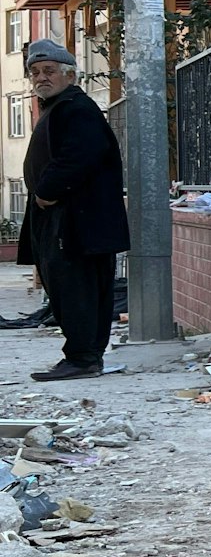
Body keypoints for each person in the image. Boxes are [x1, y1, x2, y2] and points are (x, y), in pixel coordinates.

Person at [17, 40, 129, 382]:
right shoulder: (60, 106)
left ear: (69, 74)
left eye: (49, 71)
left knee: (77, 289)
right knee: (70, 288)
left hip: (76, 221)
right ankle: (83, 356)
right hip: (67, 219)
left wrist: (47, 191)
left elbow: (79, 156)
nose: (41, 77)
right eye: (35, 72)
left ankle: (82, 358)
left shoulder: (76, 109)